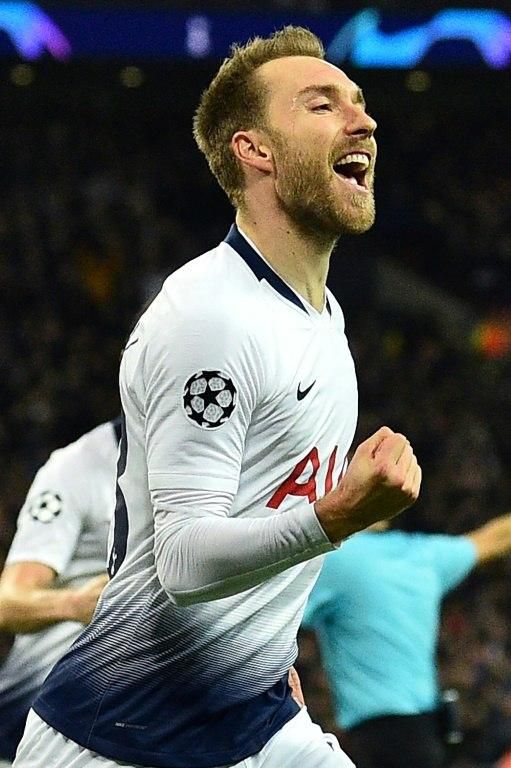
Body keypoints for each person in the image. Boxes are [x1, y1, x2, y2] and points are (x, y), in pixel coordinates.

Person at [14, 26, 421, 768]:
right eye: (321, 105)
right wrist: (338, 516)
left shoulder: (323, 319)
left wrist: (265, 647)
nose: (362, 121)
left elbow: (263, 517)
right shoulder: (210, 316)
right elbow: (184, 559)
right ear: (255, 150)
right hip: (120, 738)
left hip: (245, 716)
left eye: (358, 104)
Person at [301, 515, 511, 768]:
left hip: (377, 735)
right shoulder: (425, 554)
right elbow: (491, 539)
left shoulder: (333, 560)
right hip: (426, 730)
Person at [0, 419, 119, 765]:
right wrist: (76, 603)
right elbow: (7, 602)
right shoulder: (79, 466)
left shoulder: (211, 462)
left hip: (146, 716)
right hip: (41, 724)